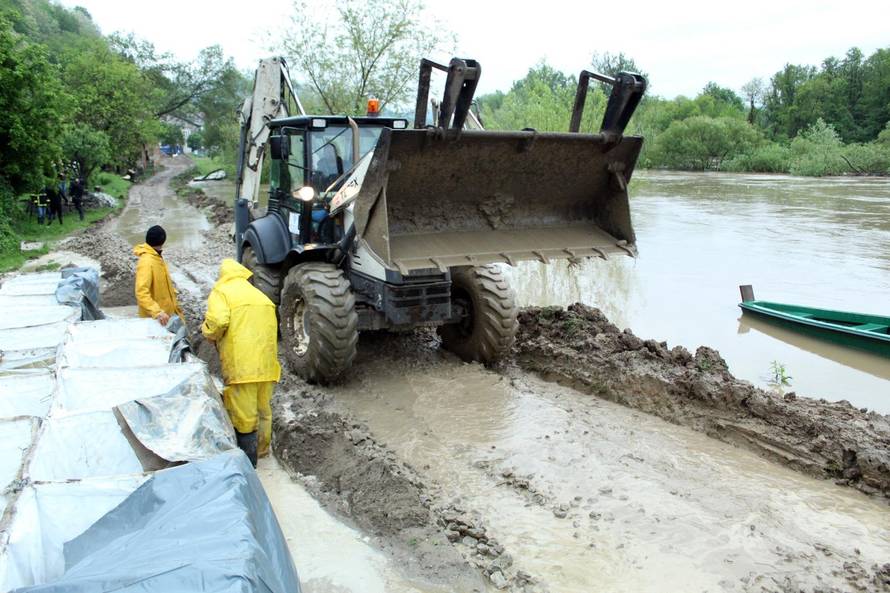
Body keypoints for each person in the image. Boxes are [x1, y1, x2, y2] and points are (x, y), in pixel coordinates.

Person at [201, 258, 280, 466]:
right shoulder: (260, 296)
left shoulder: (222, 292)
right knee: (264, 411)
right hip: (267, 364)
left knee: (244, 415)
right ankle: (263, 454)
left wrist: (208, 332)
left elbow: (218, 321)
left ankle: (248, 462)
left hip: (242, 365)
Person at [133, 225, 183, 326]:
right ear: (163, 240)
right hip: (155, 319)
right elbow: (141, 292)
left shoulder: (156, 257)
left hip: (165, 315)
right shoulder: (147, 262)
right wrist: (157, 312)